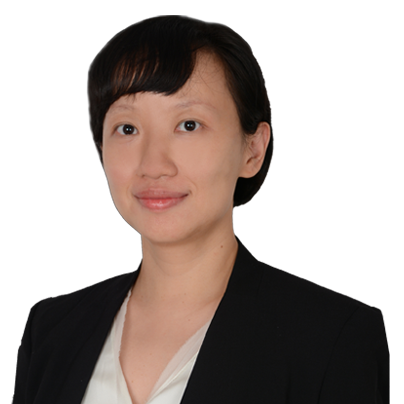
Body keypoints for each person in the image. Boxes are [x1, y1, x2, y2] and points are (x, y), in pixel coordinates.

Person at [13, 16, 389, 404]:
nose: (154, 165)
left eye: (189, 124)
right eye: (127, 129)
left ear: (253, 150)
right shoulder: (51, 331)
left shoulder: (332, 338)